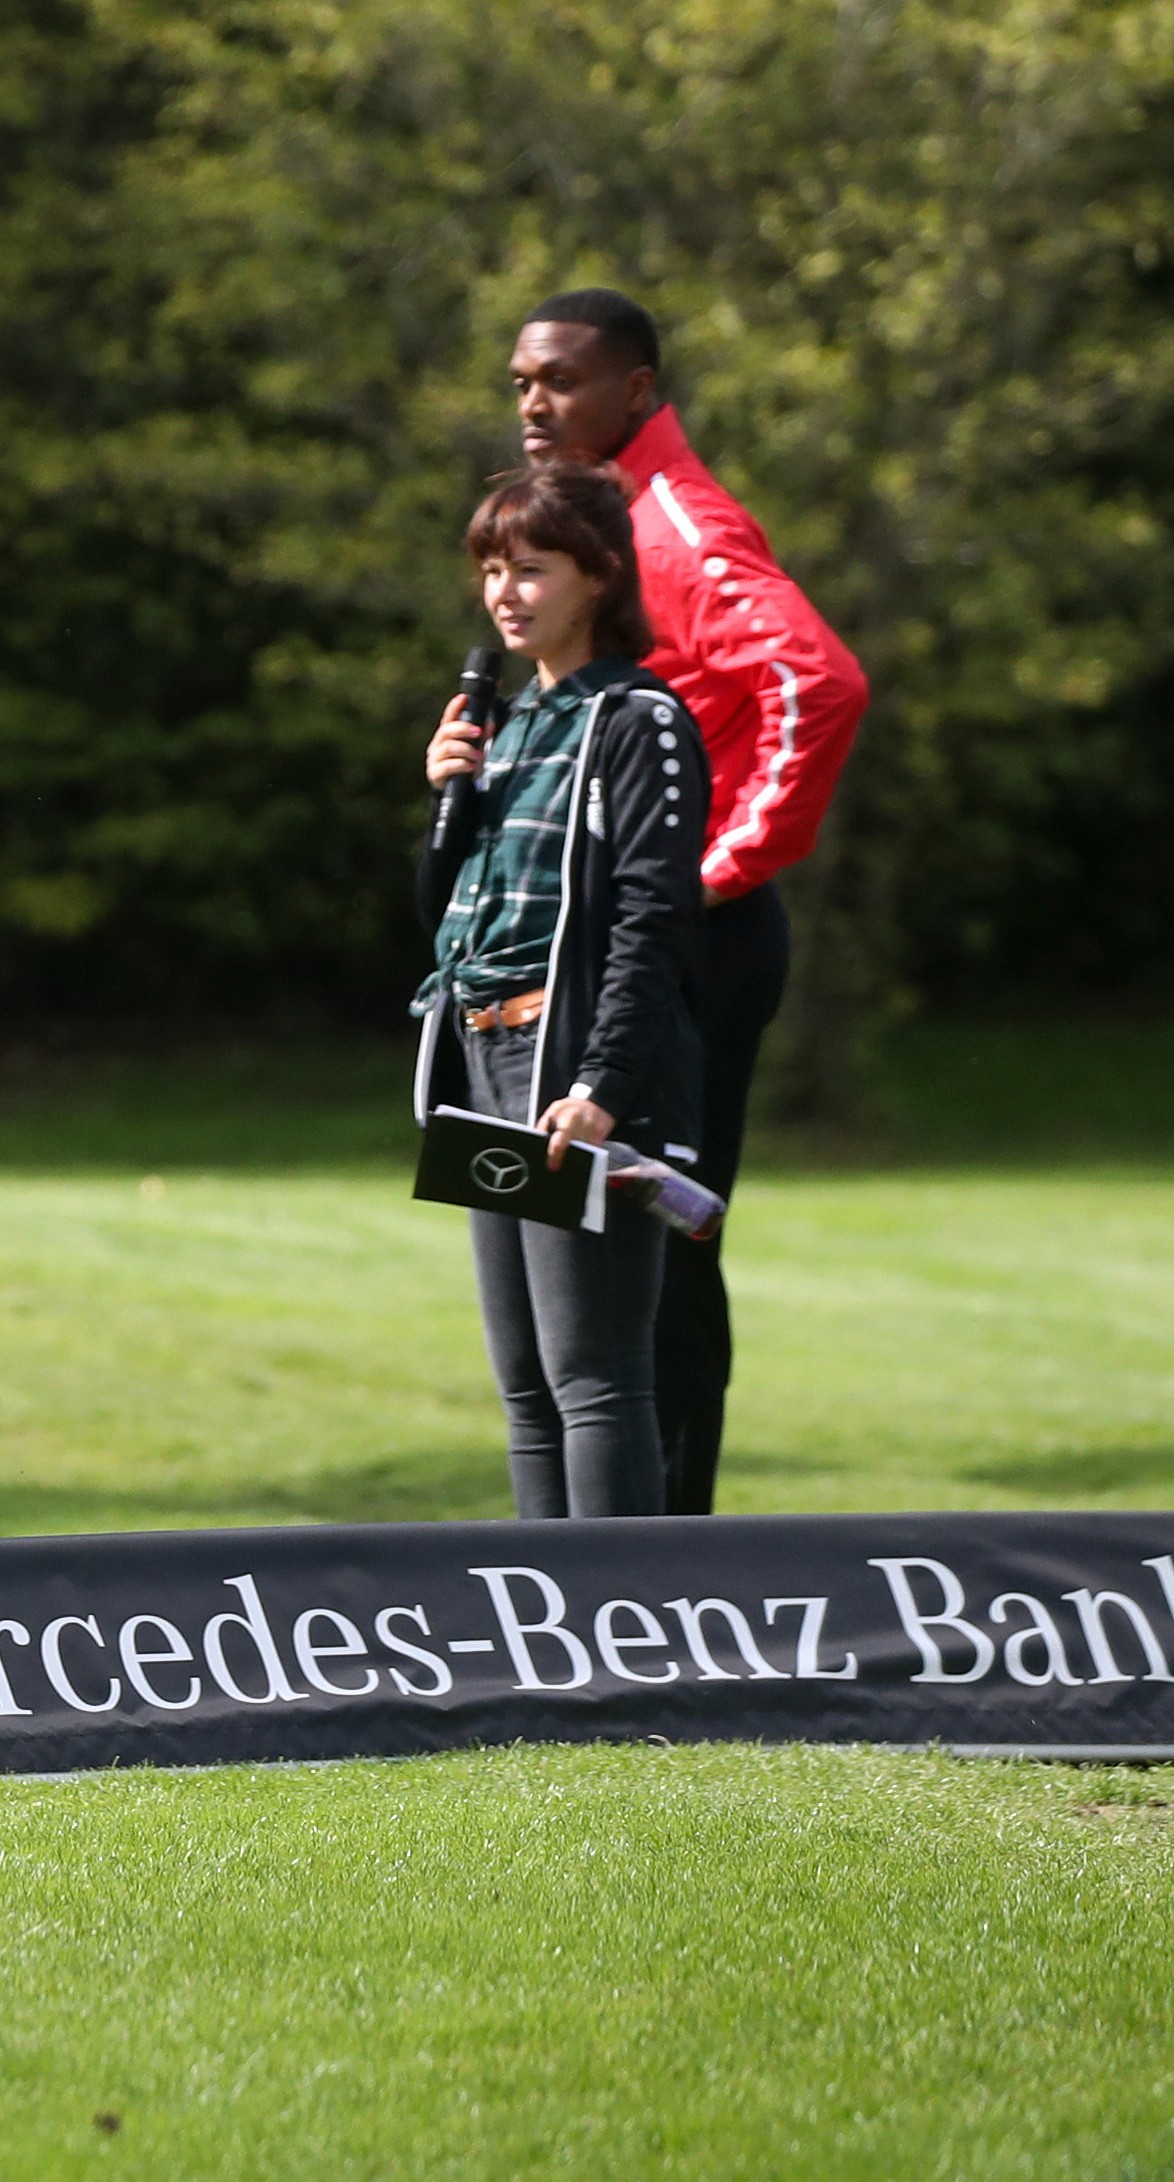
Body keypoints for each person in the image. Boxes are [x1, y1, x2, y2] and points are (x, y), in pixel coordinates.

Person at [510, 287, 868, 1513]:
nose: (534, 404)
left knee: (657, 1247)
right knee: (605, 1259)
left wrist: (718, 871)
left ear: (639, 392)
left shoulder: (680, 521)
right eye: (520, 383)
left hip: (690, 942)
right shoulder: (600, 522)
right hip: (618, 948)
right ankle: (609, 1564)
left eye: (560, 380)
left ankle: (666, 1571)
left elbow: (816, 686)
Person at [413, 463, 708, 1521]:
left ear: (597, 576)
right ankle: (545, 1644)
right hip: (486, 1064)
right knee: (527, 1390)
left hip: (570, 1071)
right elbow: (451, 923)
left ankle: (617, 1648)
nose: (505, 592)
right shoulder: (506, 726)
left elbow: (652, 917)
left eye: (530, 568)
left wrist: (603, 1084)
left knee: (594, 1385)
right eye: (491, 569)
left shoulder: (638, 720)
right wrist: (450, 795)